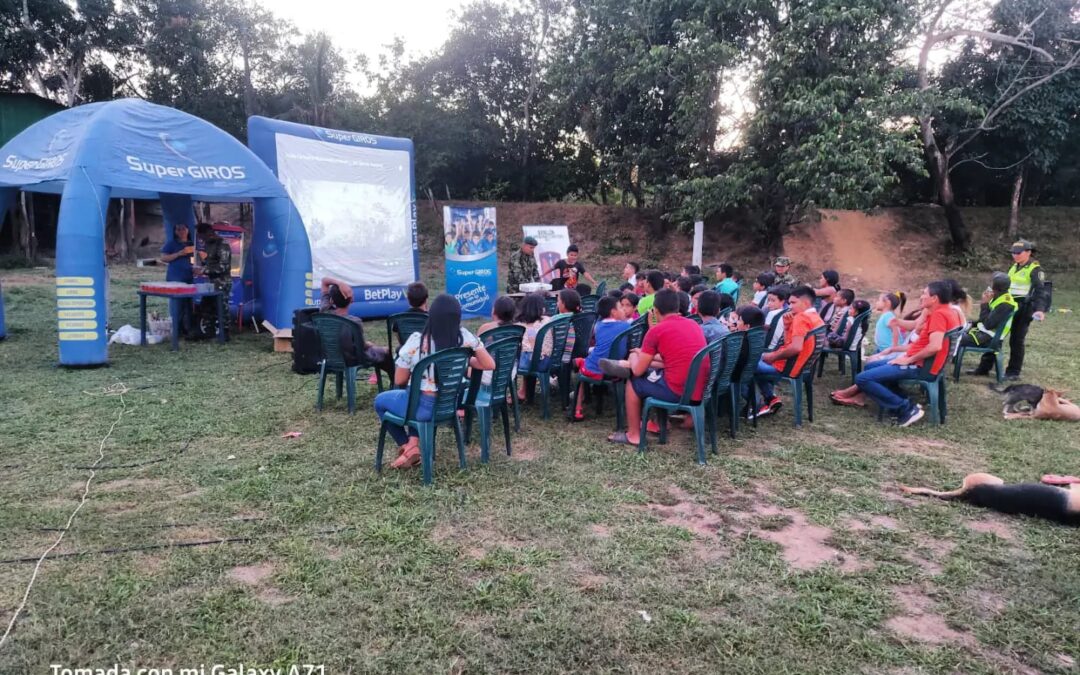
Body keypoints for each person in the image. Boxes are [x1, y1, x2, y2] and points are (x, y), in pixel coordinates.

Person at [375, 294, 494, 469]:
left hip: (420, 407)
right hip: (449, 406)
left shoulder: (417, 340)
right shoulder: (464, 337)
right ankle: (413, 445)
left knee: (380, 401)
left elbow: (399, 379)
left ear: (431, 315)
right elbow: (489, 364)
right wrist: (464, 361)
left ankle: (407, 445)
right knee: (412, 396)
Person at [603, 289, 708, 445]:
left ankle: (634, 435)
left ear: (655, 310)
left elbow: (638, 371)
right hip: (699, 390)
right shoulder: (693, 323)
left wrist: (633, 358)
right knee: (653, 370)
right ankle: (659, 422)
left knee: (634, 381)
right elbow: (673, 359)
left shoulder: (656, 331)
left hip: (678, 391)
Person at [851, 281, 961, 427]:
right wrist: (896, 350)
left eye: (924, 293)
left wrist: (909, 360)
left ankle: (906, 409)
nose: (921, 297)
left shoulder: (939, 315)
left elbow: (935, 346)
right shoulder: (945, 311)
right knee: (871, 367)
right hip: (922, 362)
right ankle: (903, 400)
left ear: (934, 298)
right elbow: (923, 341)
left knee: (862, 379)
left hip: (921, 366)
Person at [754, 285, 824, 418]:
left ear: (806, 303)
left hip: (787, 368)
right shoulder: (816, 317)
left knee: (746, 364)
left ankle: (757, 405)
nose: (790, 306)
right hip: (802, 368)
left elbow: (795, 348)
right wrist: (787, 327)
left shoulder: (801, 318)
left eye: (793, 302)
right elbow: (790, 344)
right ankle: (771, 398)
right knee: (754, 361)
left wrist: (772, 356)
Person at [320, 281, 395, 380]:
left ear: (331, 300)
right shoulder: (354, 322)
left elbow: (324, 281)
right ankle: (396, 383)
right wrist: (369, 344)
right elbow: (361, 346)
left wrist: (339, 284)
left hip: (331, 357)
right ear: (352, 299)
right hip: (353, 359)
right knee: (386, 351)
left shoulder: (325, 313)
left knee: (379, 352)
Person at [571, 295, 628, 421]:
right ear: (613, 312)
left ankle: (577, 408)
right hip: (613, 367)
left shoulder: (598, 326)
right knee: (590, 359)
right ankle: (582, 362)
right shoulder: (626, 327)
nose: (623, 309)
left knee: (582, 373)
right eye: (621, 307)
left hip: (596, 366)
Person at [1003, 240, 1049, 379]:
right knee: (996, 336)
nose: (1015, 255)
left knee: (1016, 340)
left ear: (1028, 253)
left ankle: (1013, 372)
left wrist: (1039, 309)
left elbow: (1041, 292)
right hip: (1010, 306)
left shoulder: (1035, 269)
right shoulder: (1014, 267)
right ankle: (984, 367)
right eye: (1013, 253)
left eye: (1018, 253)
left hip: (1024, 308)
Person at [963, 273, 1019, 376]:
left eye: (991, 283)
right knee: (958, 329)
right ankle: (983, 369)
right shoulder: (998, 296)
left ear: (996, 288)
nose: (988, 286)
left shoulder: (1005, 304)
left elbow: (988, 324)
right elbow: (985, 320)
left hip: (988, 338)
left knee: (953, 337)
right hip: (984, 334)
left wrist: (984, 304)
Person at [160, 223, 195, 336]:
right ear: (175, 232)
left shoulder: (193, 244)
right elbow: (164, 258)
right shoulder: (172, 244)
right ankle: (176, 329)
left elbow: (199, 258)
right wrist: (179, 253)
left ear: (188, 230)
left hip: (190, 277)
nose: (181, 231)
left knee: (188, 304)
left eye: (183, 228)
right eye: (178, 229)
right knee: (177, 305)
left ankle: (188, 328)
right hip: (175, 277)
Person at [515, 293, 552, 400]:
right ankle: (523, 391)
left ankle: (521, 392)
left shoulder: (519, 325)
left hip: (529, 363)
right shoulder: (548, 320)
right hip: (548, 361)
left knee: (521, 354)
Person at [764, 285, 790, 350]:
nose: (769, 303)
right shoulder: (787, 313)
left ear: (782, 301)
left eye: (773, 301)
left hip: (768, 348)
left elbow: (764, 330)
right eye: (768, 300)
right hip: (779, 348)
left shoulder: (772, 313)